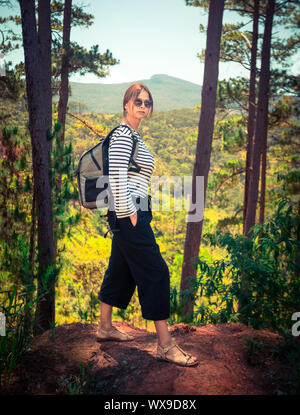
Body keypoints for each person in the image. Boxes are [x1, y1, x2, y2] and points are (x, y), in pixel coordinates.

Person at [97, 83, 198, 367]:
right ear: (126, 104)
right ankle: (165, 345)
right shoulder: (122, 134)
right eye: (137, 101)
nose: (143, 105)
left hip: (131, 211)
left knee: (121, 268)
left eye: (148, 102)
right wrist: (130, 212)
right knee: (156, 271)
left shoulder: (132, 135)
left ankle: (104, 327)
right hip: (129, 211)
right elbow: (116, 176)